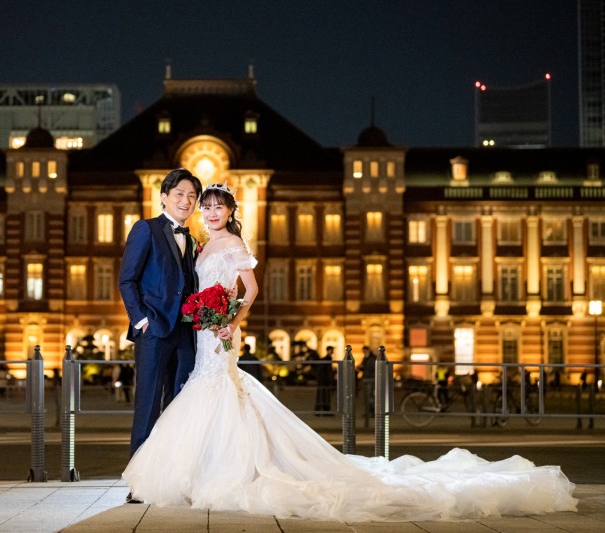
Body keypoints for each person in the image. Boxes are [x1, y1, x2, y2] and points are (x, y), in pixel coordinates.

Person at [121, 182, 577, 522]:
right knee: (201, 398)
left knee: (219, 396)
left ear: (229, 212)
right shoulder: (197, 244)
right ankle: (199, 471)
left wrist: (231, 321)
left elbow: (251, 288)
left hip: (217, 335)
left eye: (216, 205)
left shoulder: (234, 244)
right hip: (197, 334)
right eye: (205, 205)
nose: (209, 210)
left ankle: (219, 472)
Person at [118, 168, 203, 463]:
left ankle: (170, 475)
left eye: (192, 196)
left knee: (180, 404)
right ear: (164, 197)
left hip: (185, 334)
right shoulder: (146, 229)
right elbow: (126, 280)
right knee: (148, 404)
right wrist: (142, 321)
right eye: (179, 194)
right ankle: (139, 480)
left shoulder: (191, 240)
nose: (186, 201)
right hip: (154, 331)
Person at [313, 345, 335, 415]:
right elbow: (327, 371)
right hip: (324, 380)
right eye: (331, 350)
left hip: (323, 380)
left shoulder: (326, 359)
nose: (332, 352)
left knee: (322, 395)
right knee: (324, 395)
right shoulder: (327, 359)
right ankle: (324, 411)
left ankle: (321, 411)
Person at [358, 345, 376, 424]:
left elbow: (371, 368)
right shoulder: (366, 357)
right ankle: (368, 412)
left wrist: (363, 367)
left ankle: (372, 412)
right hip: (366, 378)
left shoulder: (372, 358)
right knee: (366, 396)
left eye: (364, 351)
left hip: (370, 378)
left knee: (370, 396)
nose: (364, 352)